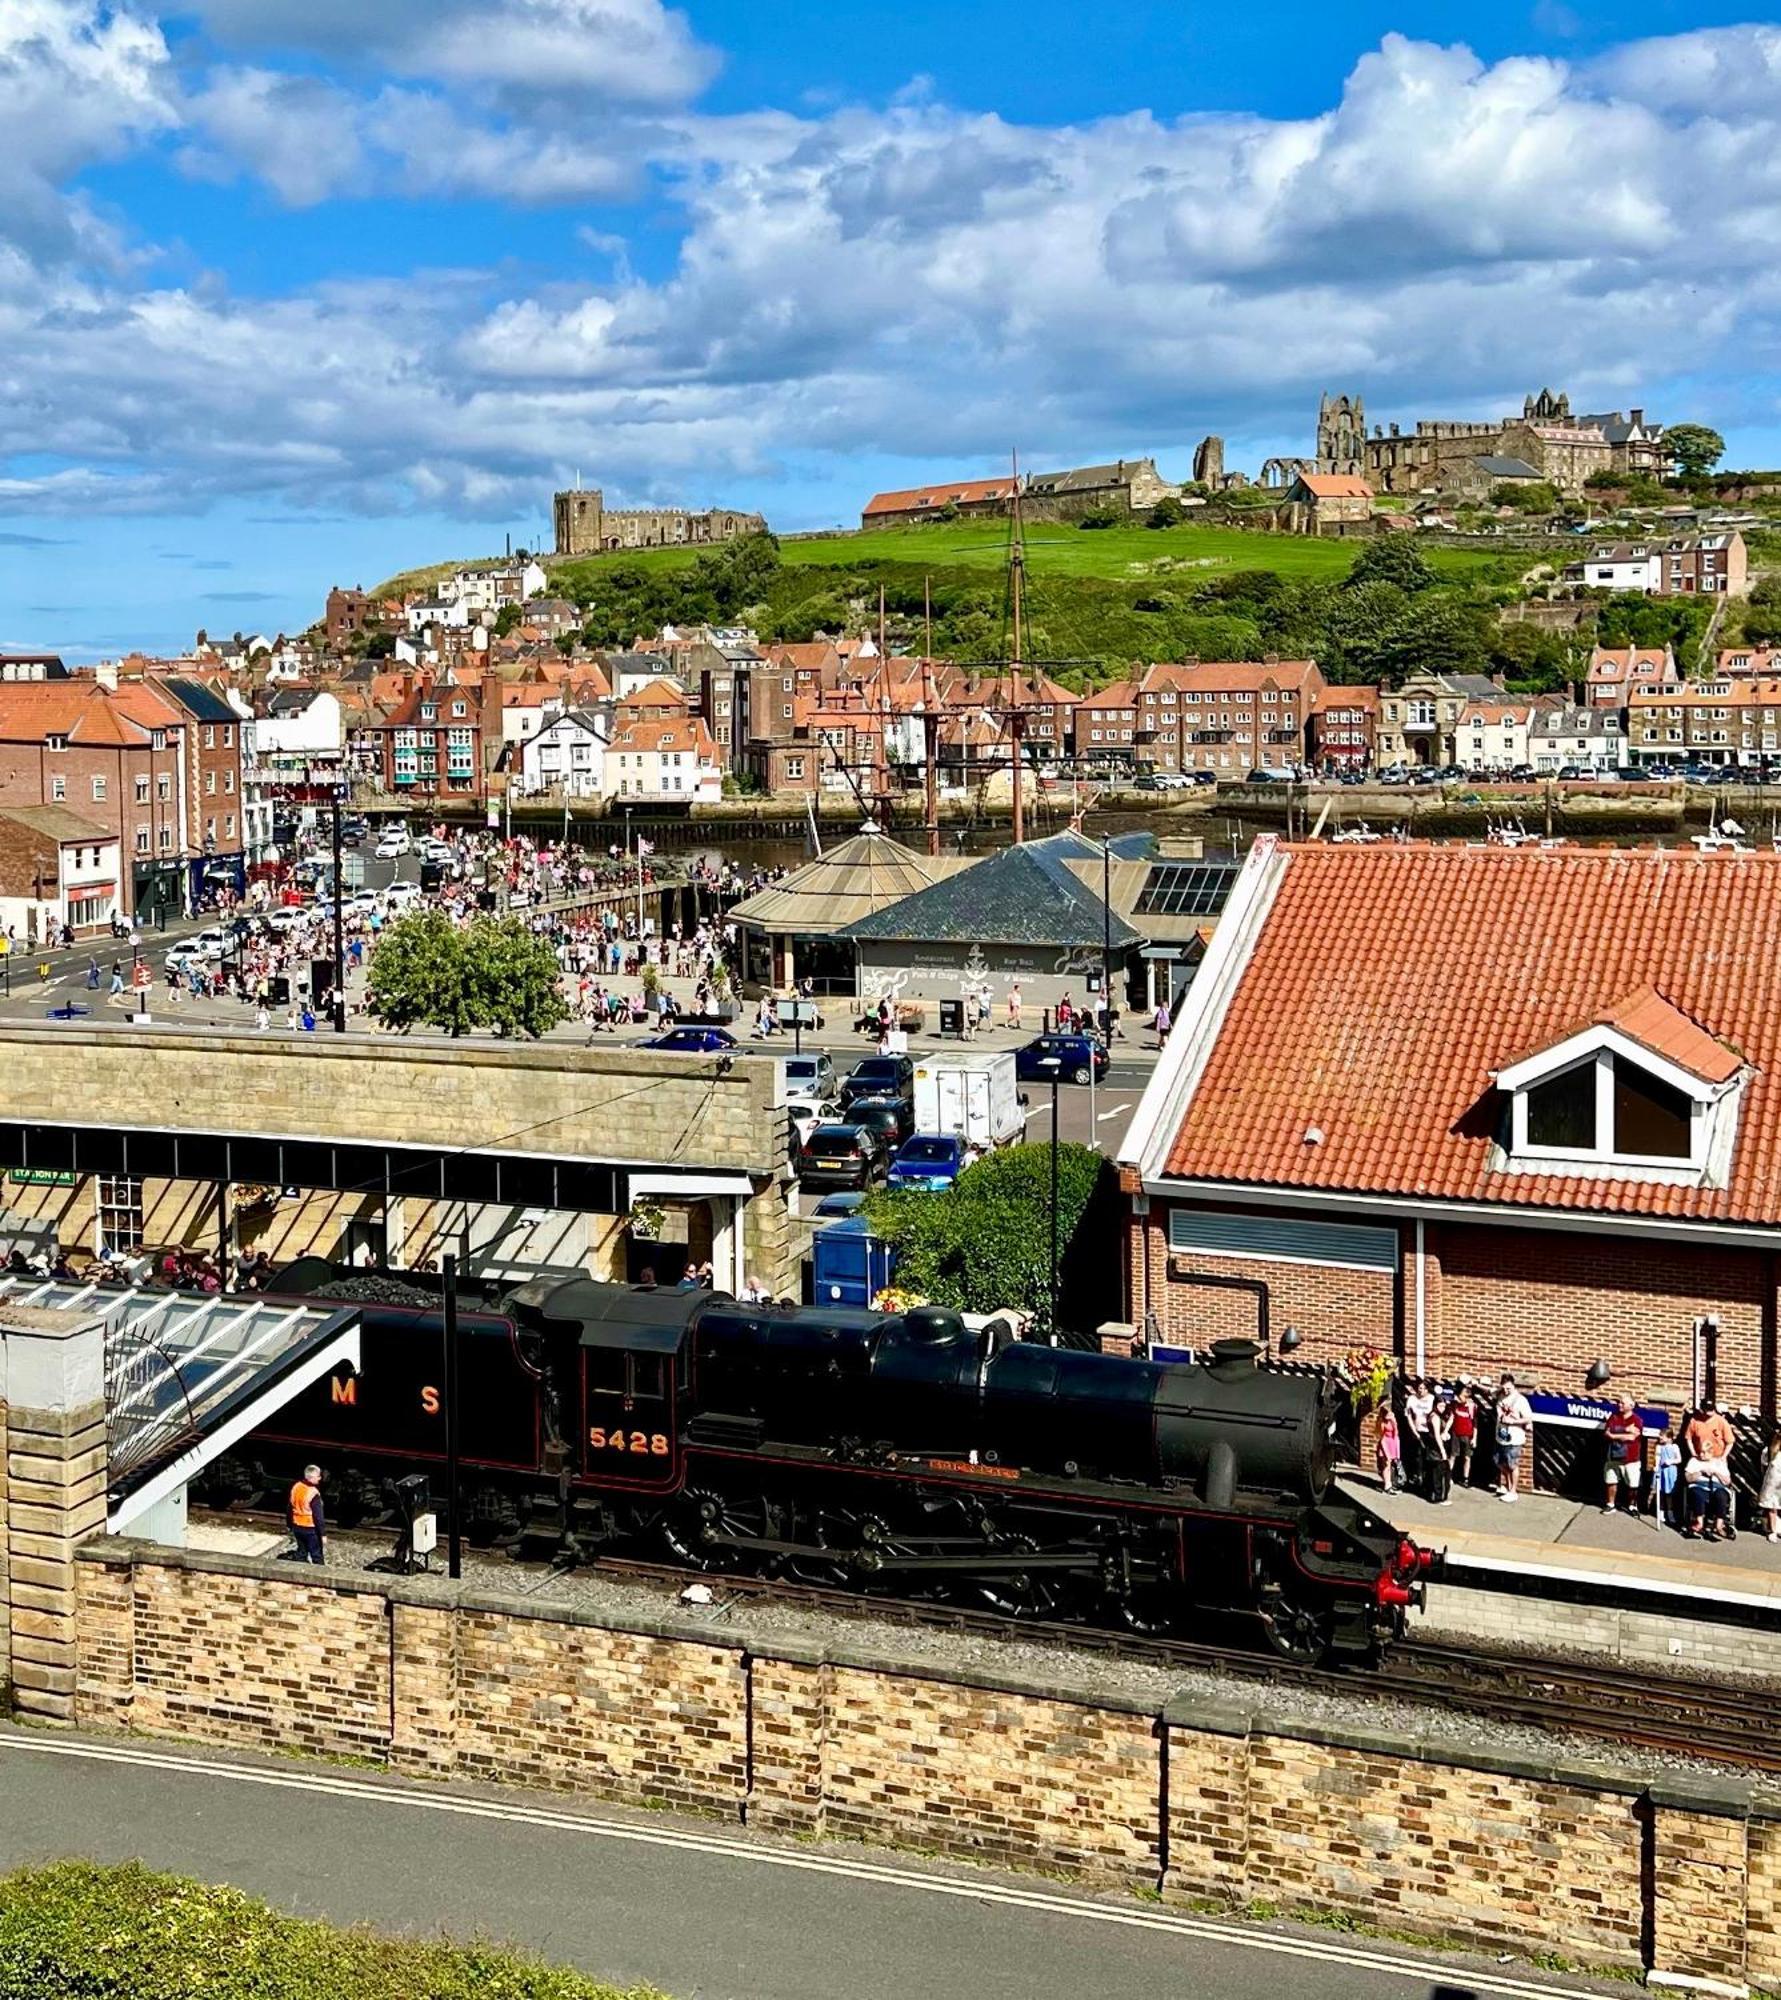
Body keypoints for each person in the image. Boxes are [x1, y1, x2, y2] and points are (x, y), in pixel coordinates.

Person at [1601, 1395, 1644, 1516]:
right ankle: (1610, 1504)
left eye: (1622, 1403)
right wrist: (1625, 1430)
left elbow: (1632, 1437)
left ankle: (1632, 1506)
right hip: (1613, 1456)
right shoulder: (1613, 1417)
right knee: (1611, 1481)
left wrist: (1615, 1434)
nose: (1619, 1405)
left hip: (1630, 1458)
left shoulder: (1637, 1420)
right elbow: (1607, 1433)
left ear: (1631, 1406)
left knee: (1633, 1484)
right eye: (1619, 1403)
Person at [1494, 1372, 1532, 1502]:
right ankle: (1507, 1486)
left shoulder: (1521, 1400)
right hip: (1501, 1435)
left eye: (1508, 1388)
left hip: (1514, 1437)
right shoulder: (1500, 1396)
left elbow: (1528, 1418)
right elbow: (1489, 1391)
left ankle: (1513, 1490)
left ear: (1513, 1386)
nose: (1506, 1390)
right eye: (1504, 1388)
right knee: (1499, 1462)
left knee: (1512, 1464)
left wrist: (1513, 1421)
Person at [1403, 1376, 1435, 1496]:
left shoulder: (1432, 1399)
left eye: (1423, 1388)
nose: (1420, 1390)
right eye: (1419, 1388)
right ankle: (1417, 1478)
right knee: (1417, 1456)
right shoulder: (1412, 1399)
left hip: (1429, 1432)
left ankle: (1427, 1481)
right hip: (1416, 1430)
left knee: (1428, 1456)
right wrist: (1414, 1432)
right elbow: (1409, 1416)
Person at [288, 1463, 325, 1564]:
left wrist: (289, 1525)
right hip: (310, 1529)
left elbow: (290, 1507)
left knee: (301, 1553)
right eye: (318, 1476)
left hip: (297, 1527)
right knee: (316, 1555)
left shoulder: (296, 1487)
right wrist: (322, 1534)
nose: (320, 1478)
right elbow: (318, 1517)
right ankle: (319, 1576)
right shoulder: (313, 1493)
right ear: (312, 1477)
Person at [1449, 1382, 1477, 1489]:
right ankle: (1449, 1475)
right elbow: (1451, 1418)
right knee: (1453, 1455)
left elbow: (1475, 1423)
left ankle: (1465, 1478)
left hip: (1467, 1434)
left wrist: (1474, 1438)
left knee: (1467, 1457)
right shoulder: (1455, 1405)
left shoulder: (1471, 1406)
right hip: (1456, 1433)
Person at [1376, 1408, 1402, 1493]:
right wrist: (1386, 1453)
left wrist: (1394, 1422)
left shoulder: (1392, 1421)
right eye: (1388, 1415)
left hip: (1392, 1443)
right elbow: (1382, 1438)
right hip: (1385, 1444)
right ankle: (1387, 1485)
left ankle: (1389, 1483)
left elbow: (1396, 1433)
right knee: (1386, 1465)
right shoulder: (1382, 1423)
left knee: (1390, 1466)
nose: (1390, 1416)